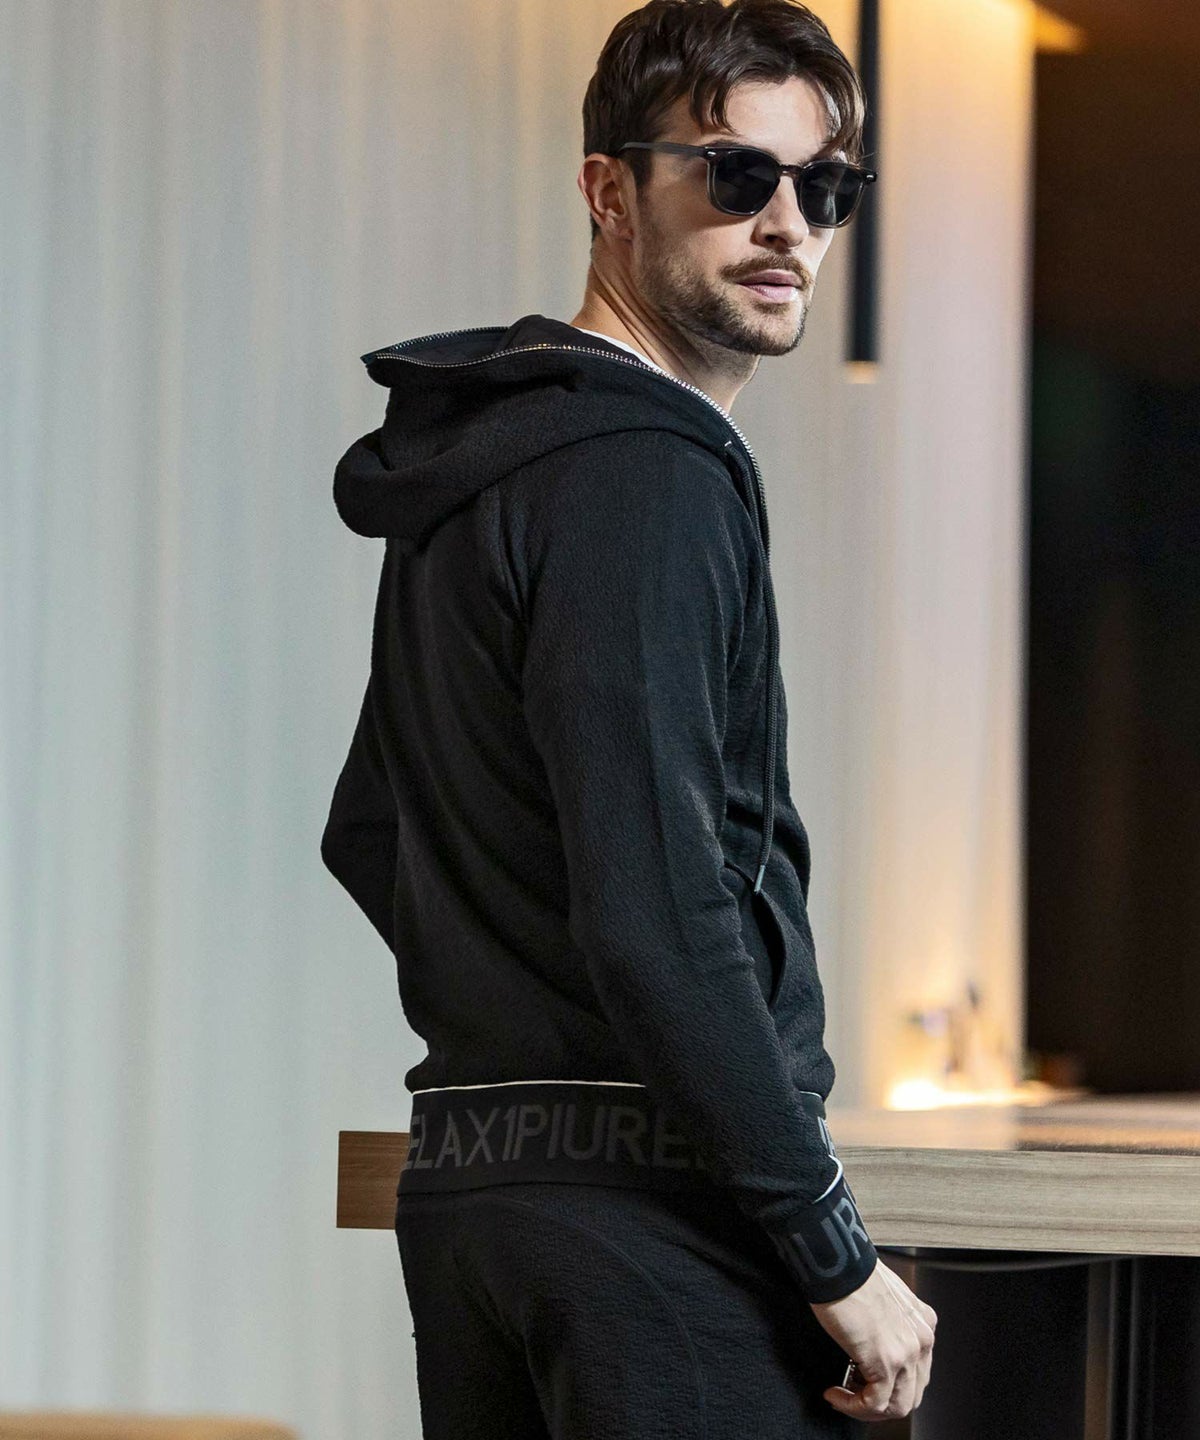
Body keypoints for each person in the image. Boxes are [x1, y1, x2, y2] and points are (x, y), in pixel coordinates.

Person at [321, 0, 936, 1434]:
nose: (788, 223)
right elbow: (660, 907)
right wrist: (835, 1253)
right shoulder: (645, 476)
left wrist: (514, 1016)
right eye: (736, 174)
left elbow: (369, 830)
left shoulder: (493, 459)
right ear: (609, 190)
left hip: (477, 1196)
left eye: (825, 188)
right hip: (654, 1227)